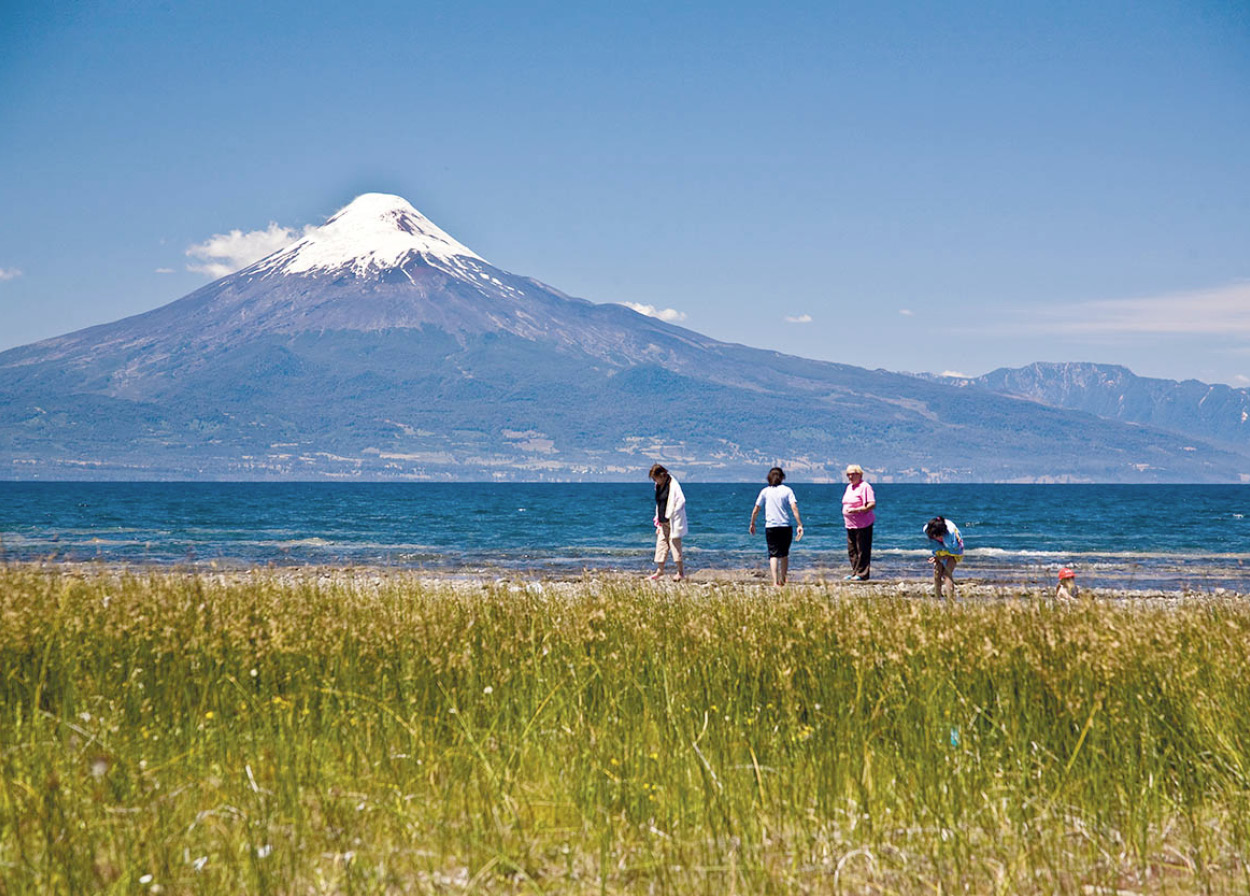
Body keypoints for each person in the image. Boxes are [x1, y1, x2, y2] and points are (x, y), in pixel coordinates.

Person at [749, 466, 804, 586]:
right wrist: (799, 524)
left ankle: (775, 582)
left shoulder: (765, 491)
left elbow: (756, 509)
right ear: (782, 477)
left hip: (771, 526)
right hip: (785, 526)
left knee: (773, 554)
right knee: (784, 554)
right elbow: (794, 508)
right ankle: (782, 580)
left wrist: (752, 523)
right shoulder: (787, 490)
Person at [649, 464, 686, 581]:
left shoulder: (673, 485)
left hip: (673, 521)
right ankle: (659, 571)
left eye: (655, 478)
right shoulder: (658, 486)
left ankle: (680, 572)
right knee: (661, 544)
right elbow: (659, 503)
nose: (655, 481)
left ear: (662, 475)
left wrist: (673, 513)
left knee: (675, 544)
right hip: (662, 520)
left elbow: (681, 501)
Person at [841, 464, 875, 581]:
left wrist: (858, 510)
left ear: (859, 474)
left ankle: (862, 573)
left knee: (862, 549)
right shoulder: (849, 487)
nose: (850, 477)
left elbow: (871, 504)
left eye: (853, 474)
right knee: (852, 549)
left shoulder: (865, 487)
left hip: (863, 523)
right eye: (848, 475)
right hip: (850, 524)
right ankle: (855, 571)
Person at [924, 516, 964, 599]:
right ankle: (937, 598)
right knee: (937, 573)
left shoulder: (952, 534)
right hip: (941, 549)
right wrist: (937, 556)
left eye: (937, 536)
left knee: (947, 574)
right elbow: (935, 544)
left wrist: (945, 556)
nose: (936, 537)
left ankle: (950, 600)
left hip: (954, 551)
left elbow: (956, 550)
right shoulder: (928, 529)